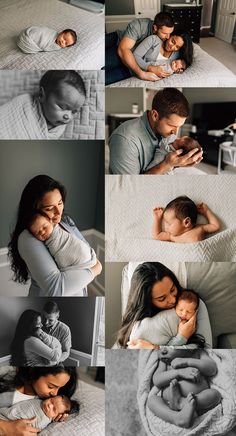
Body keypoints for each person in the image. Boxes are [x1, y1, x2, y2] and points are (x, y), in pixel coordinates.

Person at [8, 175, 102, 296]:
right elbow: (56, 289)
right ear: (34, 210)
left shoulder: (66, 221)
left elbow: (86, 249)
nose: (58, 212)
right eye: (50, 208)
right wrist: (94, 270)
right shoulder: (28, 238)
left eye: (60, 203)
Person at [117, 262, 212, 349]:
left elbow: (207, 348)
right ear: (147, 301)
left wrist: (156, 348)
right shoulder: (139, 322)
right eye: (162, 298)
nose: (173, 299)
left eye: (172, 289)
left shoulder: (191, 303)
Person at [109, 88, 203, 174]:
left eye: (179, 126)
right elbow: (130, 186)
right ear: (155, 115)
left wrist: (181, 162)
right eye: (172, 125)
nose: (175, 132)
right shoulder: (125, 141)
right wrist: (167, 164)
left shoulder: (167, 133)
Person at [0, 70, 86, 139]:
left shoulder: (59, 129)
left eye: (74, 112)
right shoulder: (24, 103)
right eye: (62, 107)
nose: (68, 116)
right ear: (42, 95)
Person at [147, 348, 221, 428]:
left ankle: (182, 403)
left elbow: (212, 369)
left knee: (215, 395)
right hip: (169, 403)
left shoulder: (198, 353)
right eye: (160, 347)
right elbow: (157, 380)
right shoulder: (165, 362)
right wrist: (178, 373)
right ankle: (177, 418)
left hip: (196, 403)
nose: (163, 351)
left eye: (170, 346)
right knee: (152, 400)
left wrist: (187, 362)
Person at [0, 366, 77, 435]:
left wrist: (57, 416)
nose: (55, 393)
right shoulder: (6, 391)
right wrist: (5, 427)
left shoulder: (46, 402)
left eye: (60, 388)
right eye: (50, 386)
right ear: (34, 372)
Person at [105, 12, 175, 85]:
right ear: (155, 28)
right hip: (118, 41)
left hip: (129, 58)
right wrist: (142, 74)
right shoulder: (139, 25)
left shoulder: (164, 38)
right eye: (165, 33)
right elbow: (123, 49)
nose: (168, 37)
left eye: (170, 33)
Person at [130, 289, 206, 348]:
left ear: (196, 311)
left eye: (189, 312)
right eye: (180, 310)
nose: (184, 314)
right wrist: (182, 337)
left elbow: (204, 348)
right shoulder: (170, 315)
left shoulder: (194, 307)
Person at [28, 213, 97, 270]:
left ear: (50, 221)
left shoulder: (63, 223)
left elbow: (81, 242)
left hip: (81, 252)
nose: (42, 232)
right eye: (38, 233)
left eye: (44, 227)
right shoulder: (37, 244)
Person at [152, 196, 221, 243]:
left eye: (169, 224)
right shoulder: (172, 236)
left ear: (187, 222)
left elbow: (215, 226)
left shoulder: (200, 228)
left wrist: (206, 212)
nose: (166, 227)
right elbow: (157, 236)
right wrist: (157, 218)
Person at [0, 395, 78, 431]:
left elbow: (33, 430)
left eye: (54, 409)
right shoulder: (39, 400)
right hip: (4, 414)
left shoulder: (45, 420)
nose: (49, 405)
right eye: (51, 400)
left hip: (13, 424)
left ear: (56, 416)